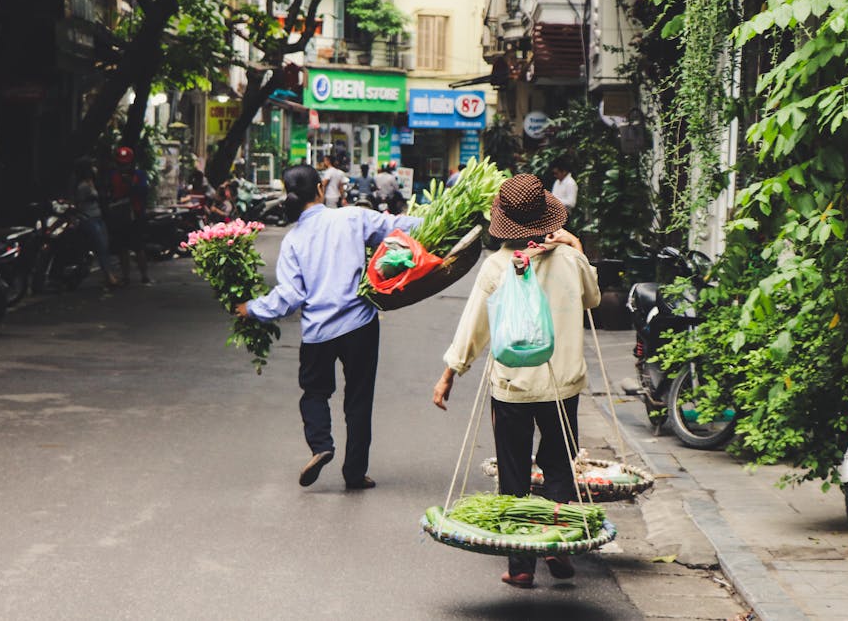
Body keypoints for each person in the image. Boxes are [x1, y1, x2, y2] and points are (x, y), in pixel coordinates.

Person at [431, 173, 600, 589]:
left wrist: (451, 372)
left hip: (512, 387)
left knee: (513, 474)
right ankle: (557, 545)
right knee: (559, 467)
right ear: (547, 217)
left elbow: (475, 326)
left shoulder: (497, 266)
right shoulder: (570, 261)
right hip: (563, 386)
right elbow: (593, 298)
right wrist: (576, 247)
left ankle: (521, 566)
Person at [235, 164, 422, 491]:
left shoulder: (293, 240)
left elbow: (290, 296)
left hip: (318, 333)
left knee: (314, 393)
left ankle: (321, 445)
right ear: (321, 189)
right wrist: (449, 222)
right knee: (359, 401)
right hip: (359, 326)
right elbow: (400, 227)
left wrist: (252, 308)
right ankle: (354, 473)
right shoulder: (352, 217)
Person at [73, 157, 121, 289]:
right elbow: (78, 204)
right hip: (88, 218)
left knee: (104, 248)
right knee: (101, 248)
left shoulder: (92, 182)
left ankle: (108, 275)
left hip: (97, 217)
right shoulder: (83, 186)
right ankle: (109, 276)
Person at [107, 146, 152, 285]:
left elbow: (144, 192)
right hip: (120, 216)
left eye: (126, 163)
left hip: (135, 216)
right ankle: (126, 276)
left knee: (138, 247)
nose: (124, 166)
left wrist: (131, 185)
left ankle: (144, 275)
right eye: (121, 163)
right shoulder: (113, 176)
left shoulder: (139, 175)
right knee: (122, 248)